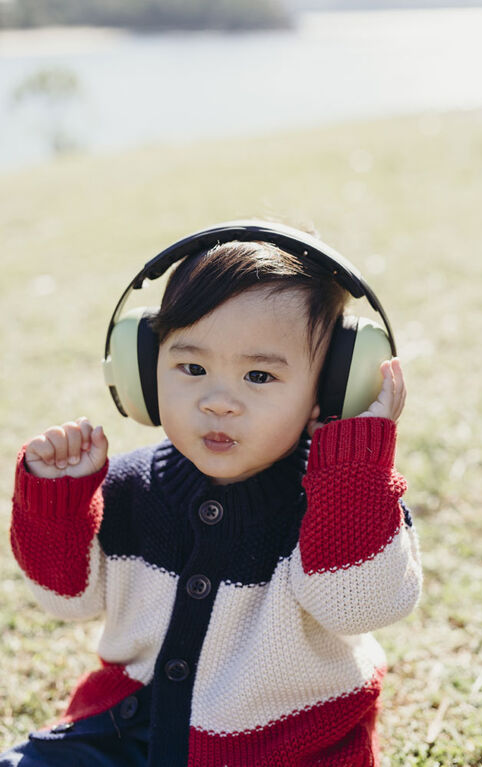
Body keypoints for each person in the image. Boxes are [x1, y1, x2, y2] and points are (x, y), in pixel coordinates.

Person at [4, 236, 422, 766]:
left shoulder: (349, 503)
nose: (218, 402)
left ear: (332, 390)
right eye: (193, 369)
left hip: (285, 748)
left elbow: (358, 605)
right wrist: (58, 504)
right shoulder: (131, 486)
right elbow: (68, 601)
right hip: (130, 732)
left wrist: (353, 472)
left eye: (259, 376)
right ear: (144, 371)